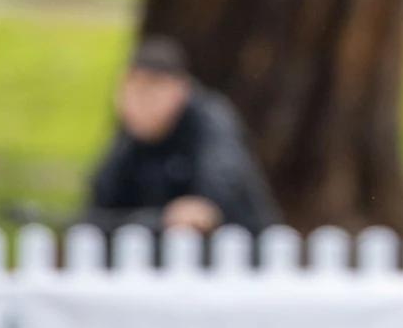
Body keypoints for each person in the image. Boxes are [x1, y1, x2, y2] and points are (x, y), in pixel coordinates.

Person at [87, 35, 279, 237]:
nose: (139, 102)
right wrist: (162, 219)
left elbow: (213, 196)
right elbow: (98, 212)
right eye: (130, 91)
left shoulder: (209, 123)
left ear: (181, 88)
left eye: (150, 91)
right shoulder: (129, 140)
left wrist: (198, 208)